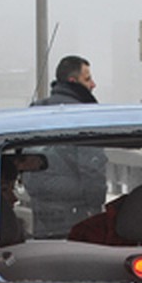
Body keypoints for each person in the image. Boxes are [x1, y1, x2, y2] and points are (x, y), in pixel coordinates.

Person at [22, 56, 107, 237]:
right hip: (77, 215)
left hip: (40, 213)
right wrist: (97, 208)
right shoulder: (84, 116)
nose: (93, 85)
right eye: (87, 79)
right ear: (72, 81)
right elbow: (92, 169)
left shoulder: (35, 111)